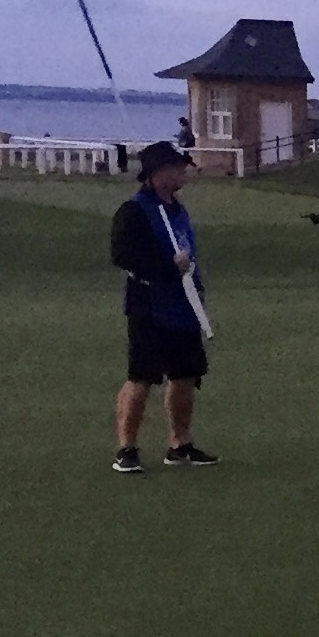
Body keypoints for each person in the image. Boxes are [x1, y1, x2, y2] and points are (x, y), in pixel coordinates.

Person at [109, 141, 219, 470]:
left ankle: (180, 444)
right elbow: (123, 256)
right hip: (149, 304)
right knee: (142, 376)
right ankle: (126, 449)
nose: (182, 173)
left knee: (185, 375)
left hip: (183, 304)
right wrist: (168, 265)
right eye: (175, 168)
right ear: (158, 174)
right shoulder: (134, 211)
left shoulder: (177, 211)